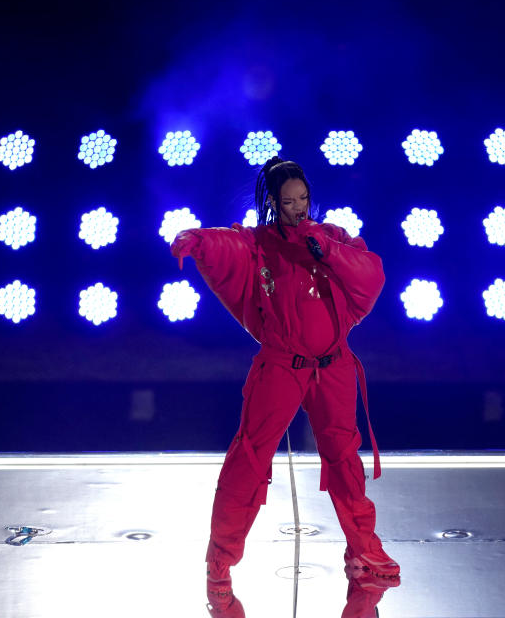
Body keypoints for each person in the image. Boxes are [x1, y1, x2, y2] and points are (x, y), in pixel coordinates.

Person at [170, 156, 399, 617]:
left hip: (332, 365)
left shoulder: (330, 237)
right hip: (281, 366)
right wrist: (196, 240)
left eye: (304, 199)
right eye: (289, 201)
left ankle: (363, 551)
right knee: (249, 458)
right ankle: (220, 564)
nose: (298, 208)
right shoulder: (259, 244)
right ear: (273, 203)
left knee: (343, 458)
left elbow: (370, 273)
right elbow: (227, 245)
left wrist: (325, 248)